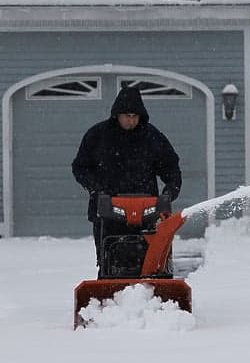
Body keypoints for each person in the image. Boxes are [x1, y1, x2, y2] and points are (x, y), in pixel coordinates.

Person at [72, 86, 182, 265]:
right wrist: (96, 189)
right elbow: (80, 167)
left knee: (149, 260)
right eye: (127, 116)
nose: (131, 121)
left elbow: (171, 166)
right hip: (107, 210)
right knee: (110, 258)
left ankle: (146, 289)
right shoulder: (98, 136)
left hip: (146, 211)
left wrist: (170, 191)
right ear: (117, 115)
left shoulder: (152, 137)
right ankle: (109, 286)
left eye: (134, 117)